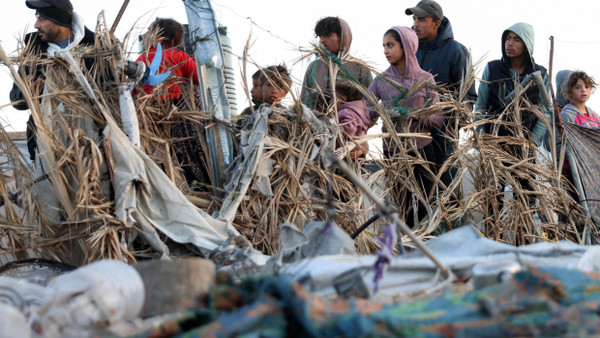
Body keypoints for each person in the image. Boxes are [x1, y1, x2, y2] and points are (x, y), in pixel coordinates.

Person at [474, 22, 551, 218]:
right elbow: (481, 106)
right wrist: (482, 137)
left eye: (516, 39)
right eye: (508, 38)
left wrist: (532, 141)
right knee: (492, 203)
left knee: (525, 204)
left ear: (527, 44)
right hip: (495, 147)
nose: (510, 43)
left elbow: (545, 110)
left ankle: (522, 246)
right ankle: (493, 244)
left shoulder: (539, 74)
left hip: (524, 149)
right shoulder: (492, 69)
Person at [368, 26, 442, 228]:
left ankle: (427, 251)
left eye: (390, 45)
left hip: (423, 152)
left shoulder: (425, 79)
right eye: (383, 46)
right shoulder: (380, 81)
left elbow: (438, 117)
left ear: (407, 46)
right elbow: (367, 112)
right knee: (403, 209)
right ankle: (405, 253)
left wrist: (416, 116)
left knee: (428, 207)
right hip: (394, 153)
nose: (385, 51)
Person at [405, 0, 477, 196]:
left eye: (421, 19)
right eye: (414, 19)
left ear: (437, 23)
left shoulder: (456, 51)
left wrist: (448, 124)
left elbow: (468, 97)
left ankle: (454, 225)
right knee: (416, 193)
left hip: (443, 135)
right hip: (412, 134)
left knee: (448, 190)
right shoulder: (410, 51)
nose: (416, 24)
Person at [10, 0, 96, 162]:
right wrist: (27, 94)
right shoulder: (33, 53)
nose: (36, 25)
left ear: (58, 20)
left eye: (42, 19)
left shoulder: (96, 47)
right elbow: (15, 100)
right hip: (46, 149)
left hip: (93, 148)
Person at [137, 18, 209, 189]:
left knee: (157, 152)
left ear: (159, 39)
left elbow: (134, 88)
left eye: (148, 31)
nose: (144, 35)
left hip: (149, 113)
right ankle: (197, 184)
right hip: (179, 112)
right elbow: (199, 79)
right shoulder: (180, 56)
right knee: (185, 151)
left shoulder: (142, 59)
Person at [300, 16, 372, 110]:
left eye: (327, 35)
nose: (322, 40)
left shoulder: (360, 68)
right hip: (316, 124)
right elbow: (303, 104)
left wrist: (345, 105)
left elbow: (371, 108)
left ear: (342, 37)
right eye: (320, 36)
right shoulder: (314, 67)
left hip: (348, 124)